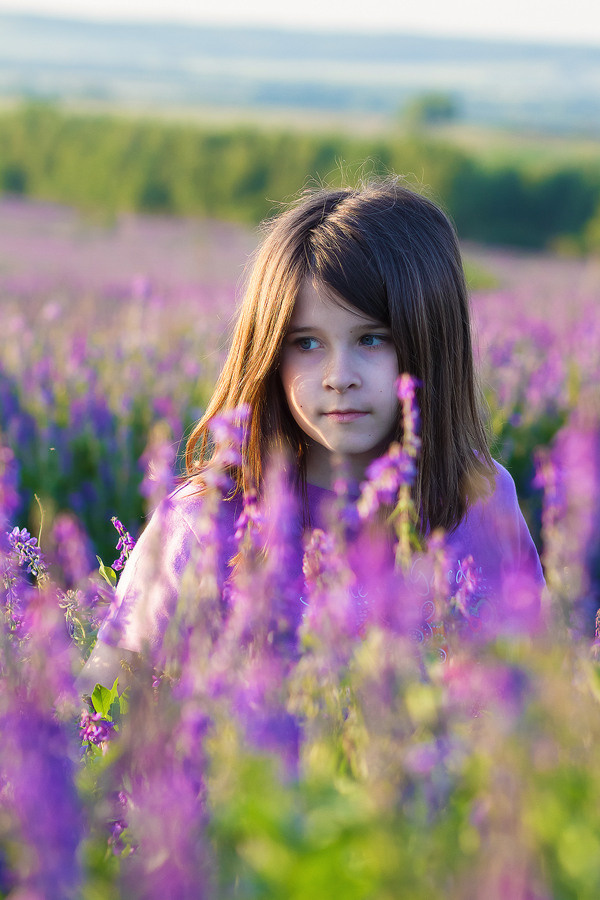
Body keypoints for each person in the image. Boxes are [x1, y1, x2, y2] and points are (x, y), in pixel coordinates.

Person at [79, 178, 544, 693]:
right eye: (306, 344)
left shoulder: (476, 498)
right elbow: (102, 704)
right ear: (269, 353)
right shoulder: (207, 518)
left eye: (372, 339)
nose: (338, 374)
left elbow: (534, 700)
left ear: (432, 339)